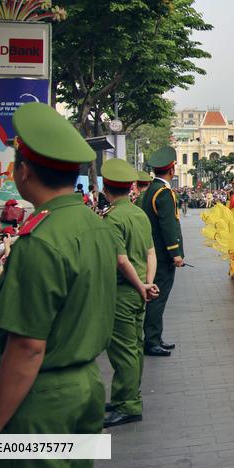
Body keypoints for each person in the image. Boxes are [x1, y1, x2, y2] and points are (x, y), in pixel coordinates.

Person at [0, 102, 119, 468]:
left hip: (40, 397)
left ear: (23, 171)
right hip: (86, 387)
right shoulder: (97, 226)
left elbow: (26, 348)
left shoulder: (40, 240)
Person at [100, 159, 159, 428]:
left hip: (123, 292)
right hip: (138, 292)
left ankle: (128, 404)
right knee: (134, 348)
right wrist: (148, 284)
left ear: (106, 189)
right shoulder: (138, 214)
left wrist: (139, 286)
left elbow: (121, 261)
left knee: (124, 351)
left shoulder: (113, 218)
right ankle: (128, 396)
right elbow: (150, 253)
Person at [141, 146, 186, 357]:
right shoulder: (164, 192)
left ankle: (155, 337)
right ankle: (151, 340)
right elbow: (168, 225)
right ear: (172, 169)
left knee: (158, 297)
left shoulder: (152, 189)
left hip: (155, 253)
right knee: (158, 298)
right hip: (162, 256)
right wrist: (175, 253)